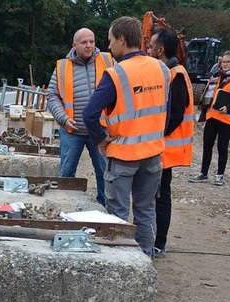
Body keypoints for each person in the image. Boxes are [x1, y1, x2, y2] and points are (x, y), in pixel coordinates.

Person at [83, 16, 171, 258]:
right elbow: (167, 110)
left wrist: (101, 139)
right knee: (146, 210)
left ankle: (122, 262)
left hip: (124, 156)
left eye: (111, 40)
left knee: (118, 215)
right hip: (153, 155)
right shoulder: (162, 69)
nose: (109, 46)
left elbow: (89, 114)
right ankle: (145, 261)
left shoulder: (116, 74)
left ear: (122, 39)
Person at [47, 28, 114, 206]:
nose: (89, 45)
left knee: (104, 172)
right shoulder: (62, 66)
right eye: (84, 42)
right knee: (67, 173)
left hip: (99, 131)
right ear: (74, 45)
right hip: (72, 131)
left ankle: (104, 209)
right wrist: (62, 117)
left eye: (91, 41)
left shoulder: (107, 61)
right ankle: (64, 206)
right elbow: (52, 95)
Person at [149, 28, 194, 257]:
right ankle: (156, 240)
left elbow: (175, 114)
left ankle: (158, 243)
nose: (148, 49)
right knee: (157, 194)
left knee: (160, 196)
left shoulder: (175, 74)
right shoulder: (171, 71)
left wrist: (155, 134)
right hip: (164, 146)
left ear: (161, 50)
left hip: (166, 147)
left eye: (151, 46)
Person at [189, 50, 230, 185]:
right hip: (212, 116)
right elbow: (209, 94)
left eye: (228, 62)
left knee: (222, 147)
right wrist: (204, 113)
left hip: (227, 118)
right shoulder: (217, 75)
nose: (225, 64)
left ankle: (219, 175)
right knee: (207, 145)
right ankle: (203, 173)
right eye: (223, 62)